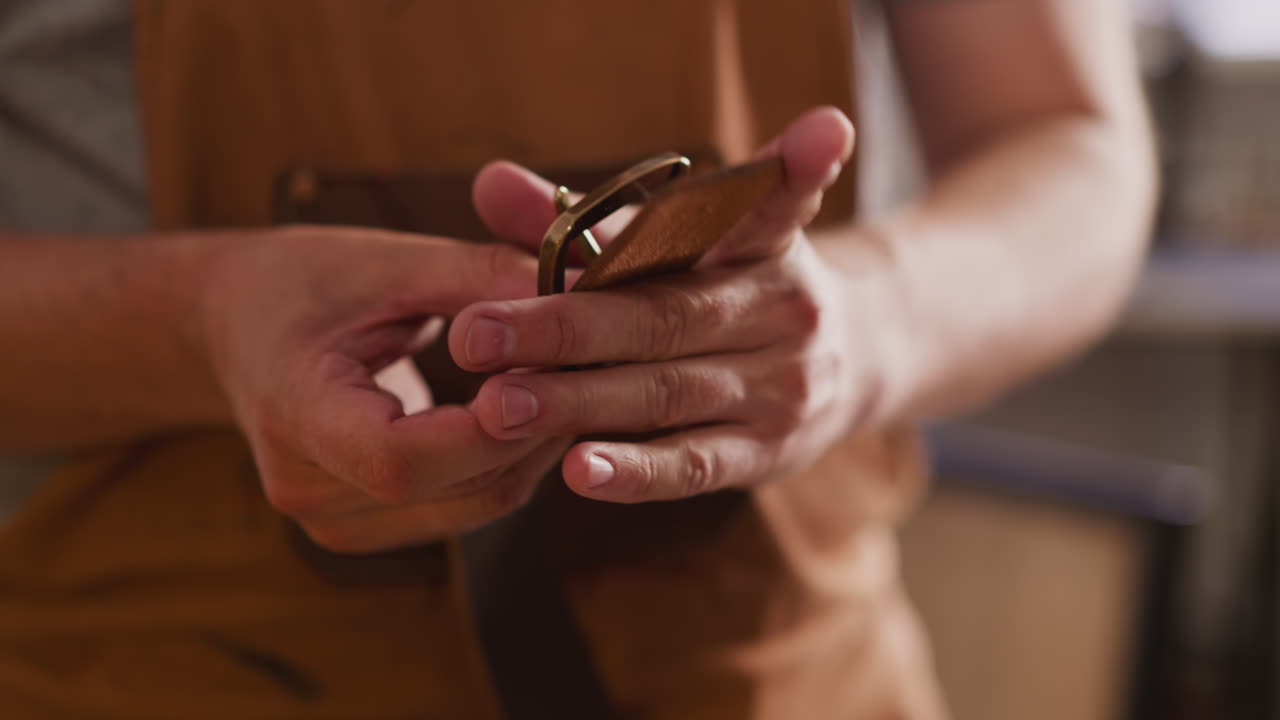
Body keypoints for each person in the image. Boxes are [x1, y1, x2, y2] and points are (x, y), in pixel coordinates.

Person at [0, 0, 1154, 717]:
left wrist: (864, 326)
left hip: (769, 673)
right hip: (156, 673)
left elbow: (1069, 145)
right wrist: (199, 325)